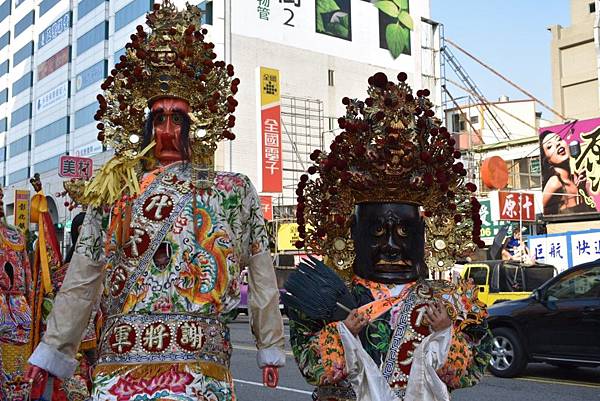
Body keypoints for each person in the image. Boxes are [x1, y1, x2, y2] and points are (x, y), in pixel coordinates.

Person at [25, 2, 285, 400]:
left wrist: (269, 344)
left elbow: (262, 269)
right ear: (144, 124)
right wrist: (53, 351)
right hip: (119, 371)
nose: (166, 130)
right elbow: (83, 277)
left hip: (198, 372)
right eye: (158, 118)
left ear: (194, 125)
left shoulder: (230, 190)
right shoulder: (114, 192)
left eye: (177, 118)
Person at [286, 72, 492, 401]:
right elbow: (314, 370)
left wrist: (445, 333)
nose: (393, 247)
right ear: (352, 234)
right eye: (378, 232)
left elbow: (471, 369)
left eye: (404, 233)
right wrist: (344, 331)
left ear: (425, 235)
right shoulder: (330, 298)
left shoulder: (451, 303)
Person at [0, 188, 32, 399]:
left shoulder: (16, 234)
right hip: (19, 308)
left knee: (14, 374)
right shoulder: (16, 234)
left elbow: (27, 274)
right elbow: (27, 277)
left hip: (14, 310)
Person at [540, 130, 593, 214]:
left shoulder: (575, 178)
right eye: (549, 146)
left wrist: (582, 189)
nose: (557, 144)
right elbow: (538, 209)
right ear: (547, 160)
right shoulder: (555, 182)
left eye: (559, 139)